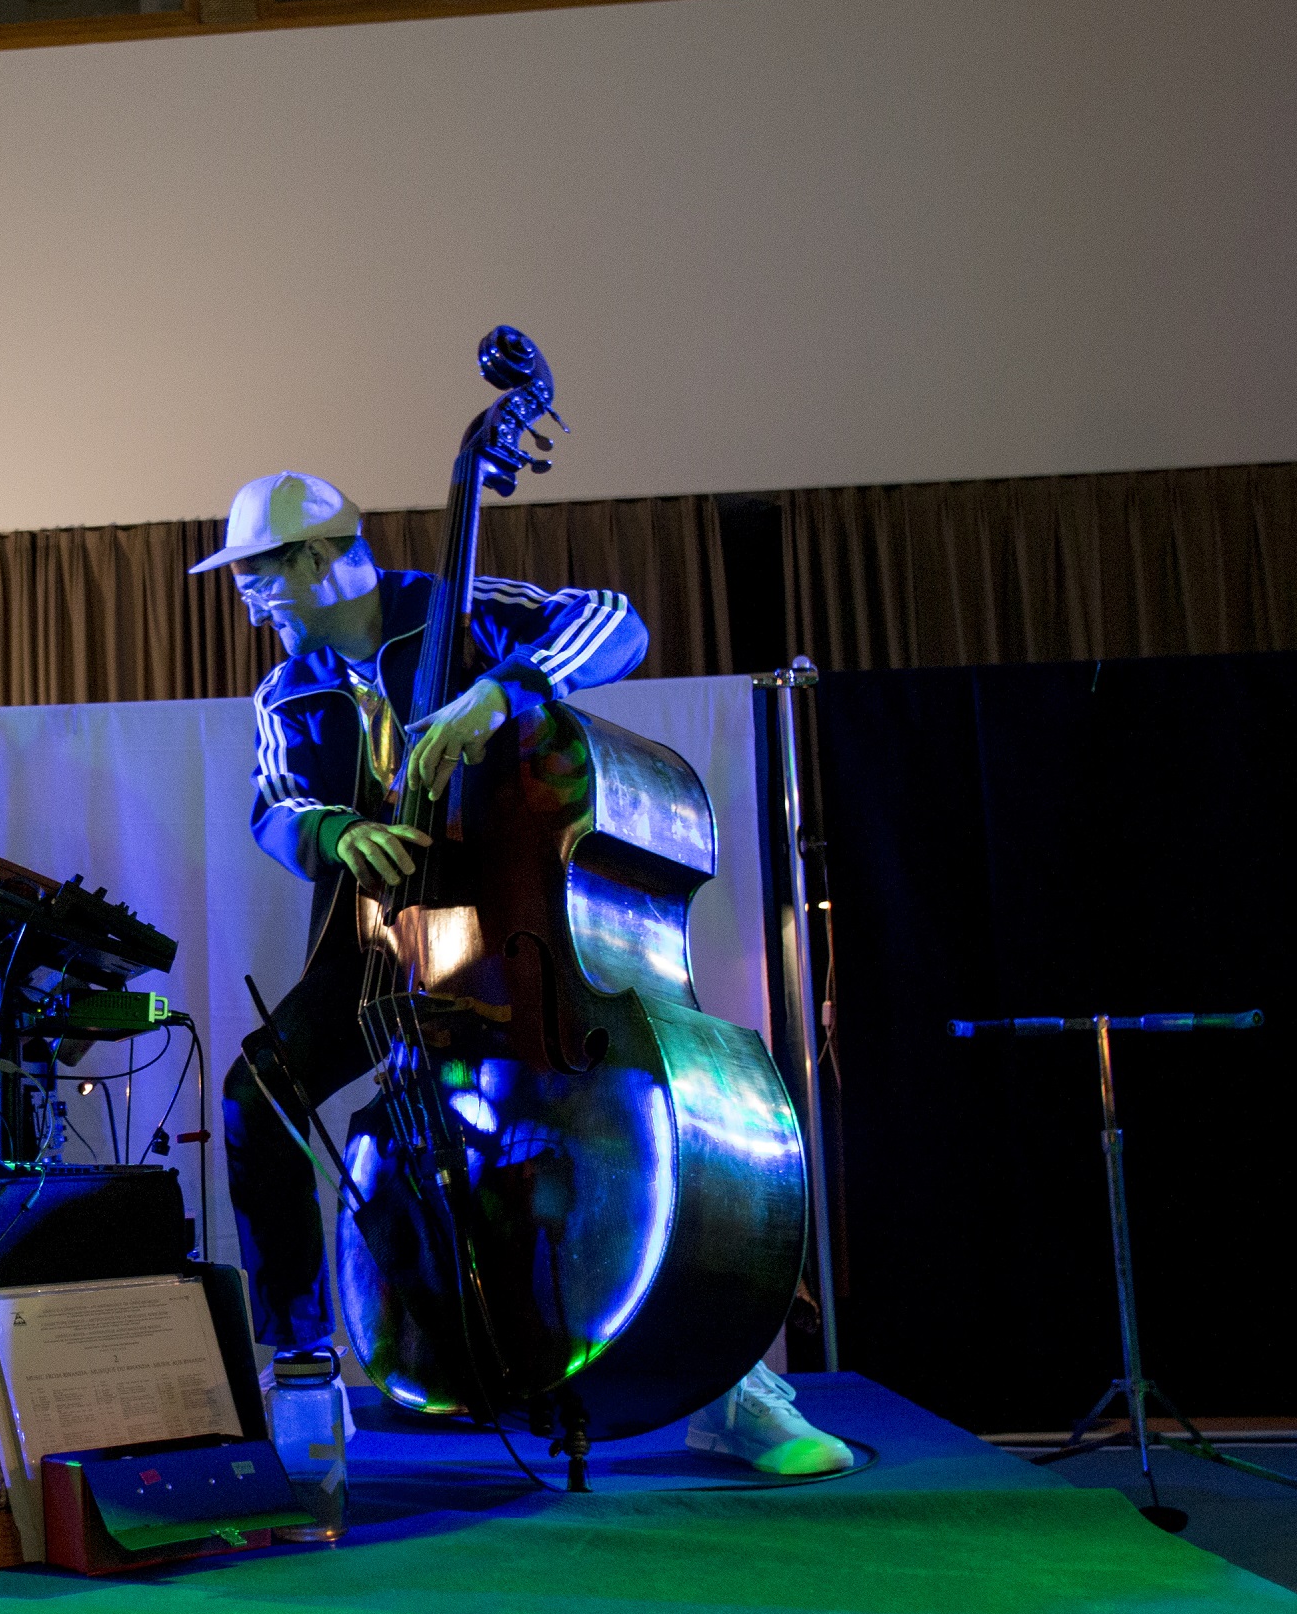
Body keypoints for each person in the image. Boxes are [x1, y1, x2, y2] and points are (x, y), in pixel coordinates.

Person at [201, 469, 850, 1477]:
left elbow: (615, 622)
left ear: (319, 556)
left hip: (520, 934)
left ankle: (726, 1381)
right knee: (258, 1094)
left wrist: (501, 692)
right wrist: (336, 832)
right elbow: (276, 803)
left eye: (257, 576)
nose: (247, 602)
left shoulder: (459, 608)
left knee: (622, 1116)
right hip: (393, 953)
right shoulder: (287, 690)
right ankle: (301, 1363)